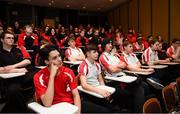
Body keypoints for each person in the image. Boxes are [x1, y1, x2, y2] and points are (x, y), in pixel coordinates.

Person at [99, 38, 145, 112]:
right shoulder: (103, 57)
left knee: (140, 89)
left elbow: (124, 65)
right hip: (114, 80)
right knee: (138, 90)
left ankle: (138, 111)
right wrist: (118, 67)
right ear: (104, 45)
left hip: (123, 77)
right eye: (108, 44)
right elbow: (112, 70)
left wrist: (116, 67)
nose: (111, 45)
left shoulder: (115, 55)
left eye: (111, 44)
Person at [33, 44, 81, 114]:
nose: (59, 59)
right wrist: (52, 77)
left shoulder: (68, 72)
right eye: (54, 58)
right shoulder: (39, 76)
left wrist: (78, 112)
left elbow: (76, 95)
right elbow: (47, 103)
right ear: (46, 61)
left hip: (70, 106)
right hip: (53, 109)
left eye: (59, 56)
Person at [78, 44, 125, 113]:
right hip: (89, 92)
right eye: (94, 52)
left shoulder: (97, 64)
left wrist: (104, 90)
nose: (97, 54)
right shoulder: (83, 66)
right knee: (106, 110)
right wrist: (99, 91)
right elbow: (84, 85)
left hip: (98, 89)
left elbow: (100, 80)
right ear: (88, 54)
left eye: (97, 52)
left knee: (115, 106)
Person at [0, 31, 34, 112]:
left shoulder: (19, 49)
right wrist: (17, 70)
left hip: (24, 76)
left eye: (12, 38)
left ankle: (13, 104)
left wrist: (13, 66)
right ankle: (24, 110)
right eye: (8, 38)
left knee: (39, 76)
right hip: (8, 80)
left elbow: (28, 61)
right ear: (2, 40)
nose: (11, 40)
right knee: (14, 90)